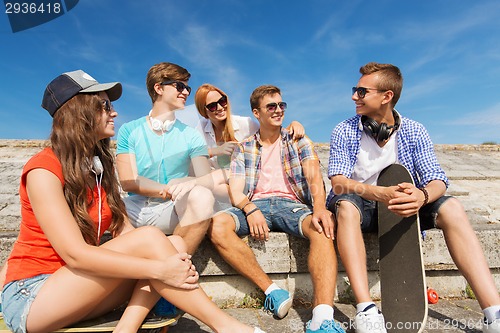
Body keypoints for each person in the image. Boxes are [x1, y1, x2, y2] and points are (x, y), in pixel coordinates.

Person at [0, 70, 265, 333]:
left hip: (77, 290)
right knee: (153, 243)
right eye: (104, 105)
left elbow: (125, 232)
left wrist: (166, 262)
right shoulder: (43, 169)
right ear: (77, 112)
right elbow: (75, 255)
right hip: (33, 296)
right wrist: (160, 269)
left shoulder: (95, 169)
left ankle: (126, 328)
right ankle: (228, 327)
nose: (113, 112)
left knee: (170, 243)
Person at [327, 62, 500, 333]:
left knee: (452, 206)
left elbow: (438, 179)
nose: (353, 97)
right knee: (347, 206)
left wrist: (422, 195)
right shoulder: (344, 130)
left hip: (403, 206)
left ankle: (494, 313)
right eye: (354, 90)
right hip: (361, 204)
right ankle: (366, 309)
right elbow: (338, 183)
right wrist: (379, 193)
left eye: (361, 91)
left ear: (387, 96)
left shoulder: (414, 130)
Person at [208, 85, 345, 333]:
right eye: (271, 106)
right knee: (218, 225)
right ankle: (272, 290)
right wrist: (250, 209)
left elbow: (314, 178)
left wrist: (319, 208)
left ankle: (321, 317)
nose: (278, 110)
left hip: (291, 205)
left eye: (282, 105)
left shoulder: (298, 139)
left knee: (322, 228)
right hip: (255, 204)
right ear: (256, 113)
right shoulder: (243, 147)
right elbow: (235, 191)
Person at [116, 62, 215, 255]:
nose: (186, 92)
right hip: (133, 208)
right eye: (179, 86)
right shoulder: (128, 130)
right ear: (159, 88)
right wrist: (168, 189)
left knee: (203, 197)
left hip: (170, 211)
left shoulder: (192, 135)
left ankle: (174, 264)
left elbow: (206, 179)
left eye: (187, 87)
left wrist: (188, 182)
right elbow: (128, 181)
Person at [194, 83, 305, 169]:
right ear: (203, 110)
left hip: (241, 178)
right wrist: (217, 150)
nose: (220, 107)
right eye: (212, 106)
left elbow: (271, 134)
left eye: (222, 101)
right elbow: (189, 154)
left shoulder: (245, 123)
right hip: (218, 179)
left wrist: (293, 124)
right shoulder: (201, 127)